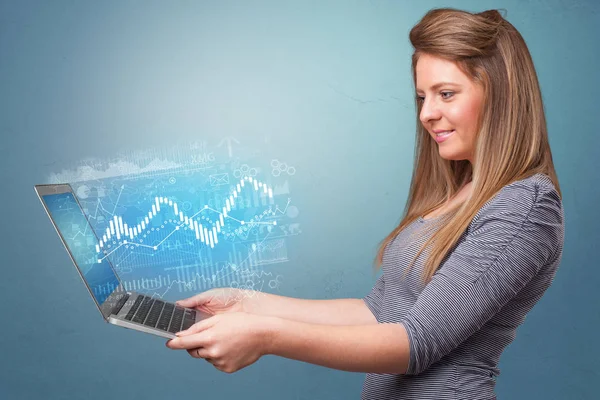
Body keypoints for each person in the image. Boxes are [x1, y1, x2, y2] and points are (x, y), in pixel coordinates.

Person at [166, 7, 564, 400]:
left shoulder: (525, 208)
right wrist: (249, 305)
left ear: (501, 93)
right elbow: (378, 311)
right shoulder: (461, 193)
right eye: (422, 97)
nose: (427, 114)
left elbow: (415, 343)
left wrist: (266, 336)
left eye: (446, 94)